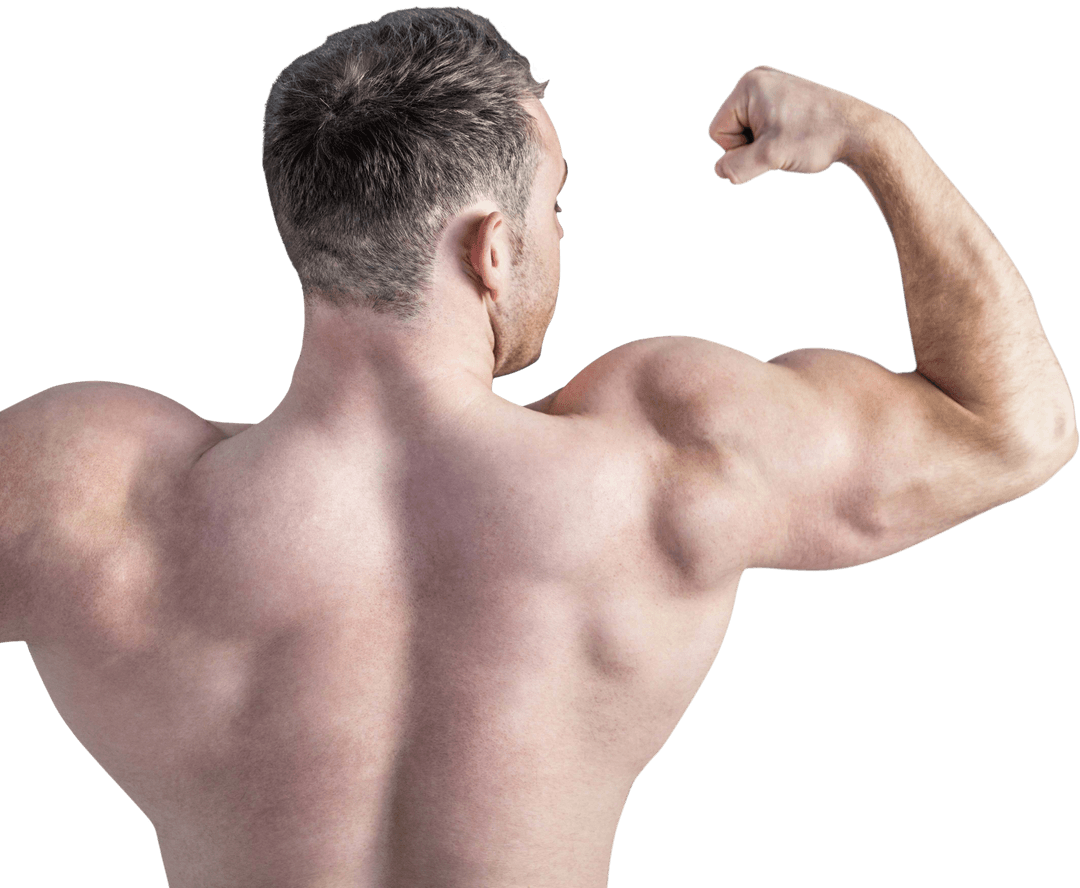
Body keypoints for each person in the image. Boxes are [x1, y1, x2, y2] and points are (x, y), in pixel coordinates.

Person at [0, 8, 1075, 888]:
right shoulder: (667, 461)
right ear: (493, 248)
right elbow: (1014, 428)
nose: (563, 233)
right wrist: (880, 143)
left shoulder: (98, 497)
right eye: (557, 205)